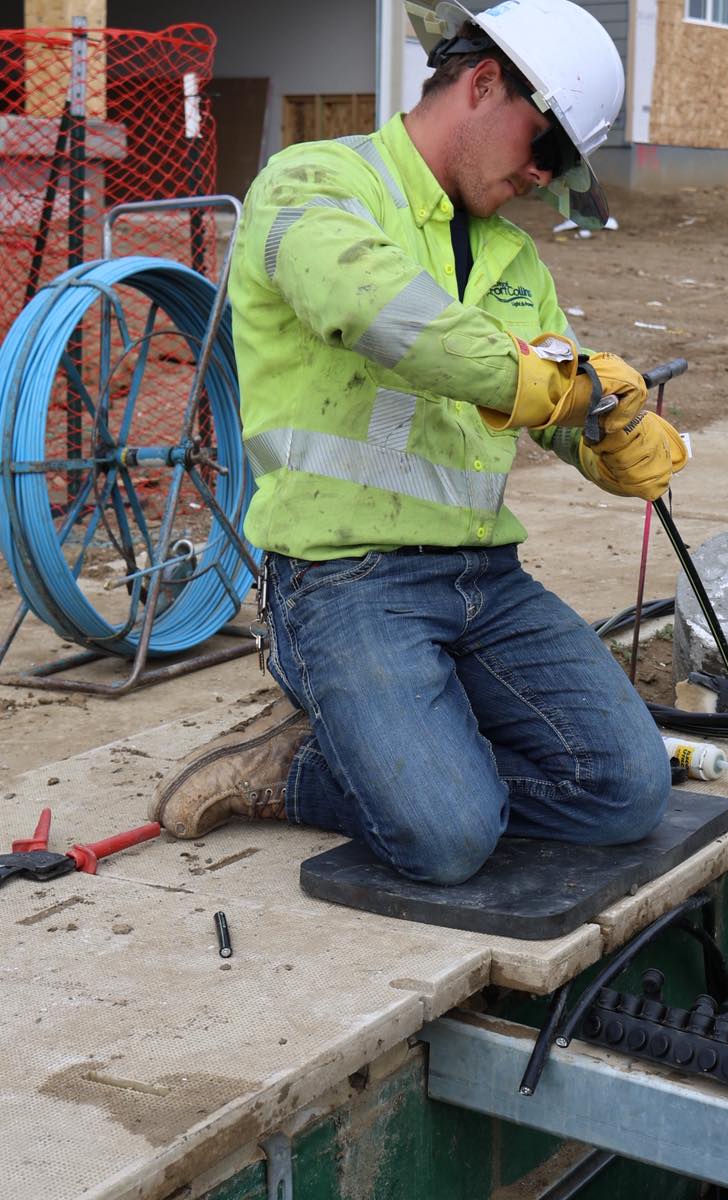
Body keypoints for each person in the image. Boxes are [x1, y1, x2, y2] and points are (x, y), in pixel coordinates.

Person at [150, 0, 688, 885]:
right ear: (483, 83)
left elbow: (551, 395)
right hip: (344, 581)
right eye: (545, 151)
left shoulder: (513, 260)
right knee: (447, 840)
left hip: (486, 581)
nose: (546, 181)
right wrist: (540, 380)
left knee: (626, 791)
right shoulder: (314, 183)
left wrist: (611, 434)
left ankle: (399, 752)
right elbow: (379, 310)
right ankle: (292, 771)